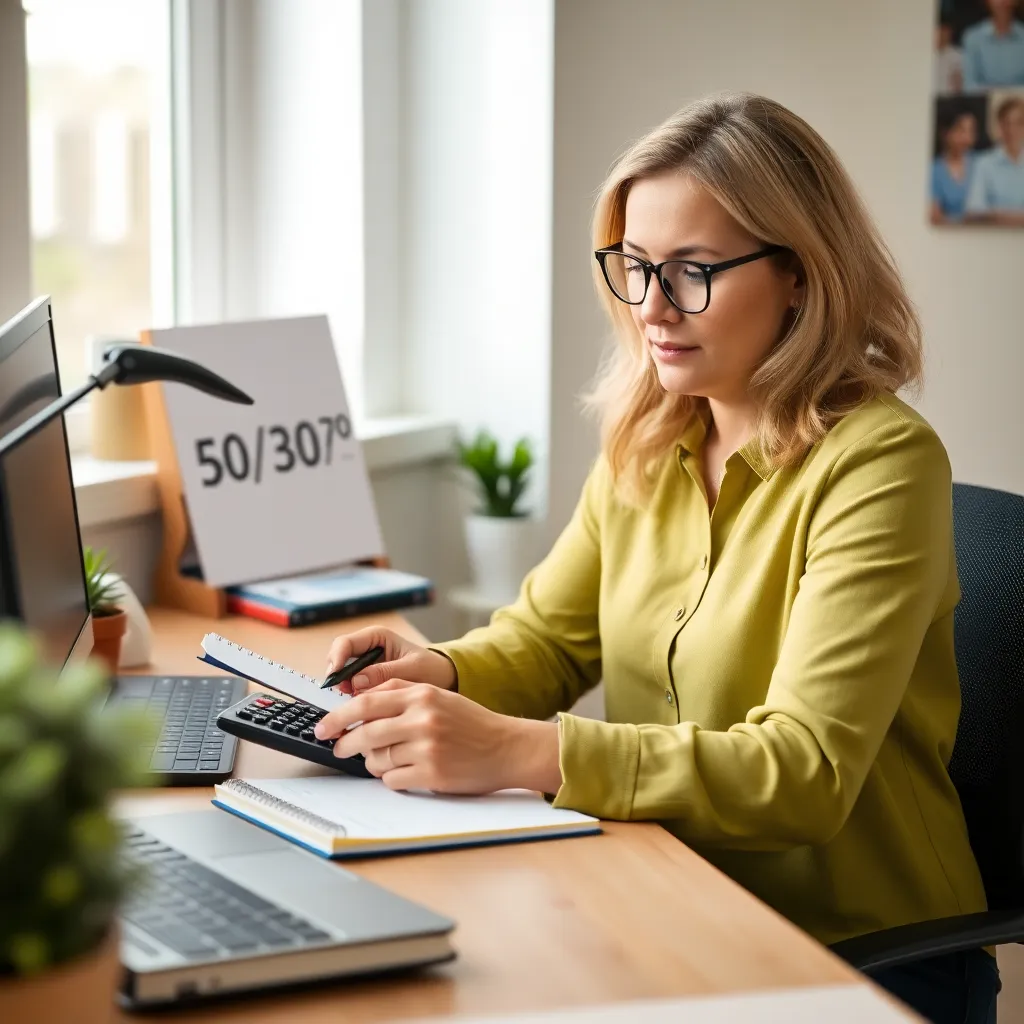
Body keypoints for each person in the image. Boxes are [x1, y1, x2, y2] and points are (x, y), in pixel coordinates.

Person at [314, 93, 998, 1024]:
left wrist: (525, 750)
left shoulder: (880, 464)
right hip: (671, 897)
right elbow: (550, 642)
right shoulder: (649, 436)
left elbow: (801, 775)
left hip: (860, 955)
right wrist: (436, 670)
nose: (651, 309)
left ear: (801, 275)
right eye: (634, 268)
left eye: (693, 271)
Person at [965, 94, 1024, 223]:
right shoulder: (983, 163)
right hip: (992, 237)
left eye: (1019, 123)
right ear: (1000, 126)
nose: (1012, 130)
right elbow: (974, 211)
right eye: (1007, 123)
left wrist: (996, 214)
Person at [962, 0, 1024, 90]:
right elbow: (969, 85)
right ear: (988, 2)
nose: (1003, 2)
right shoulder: (973, 38)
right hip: (984, 102)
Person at [931, 110, 979, 222]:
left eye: (971, 131)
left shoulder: (980, 164)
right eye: (961, 130)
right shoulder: (935, 169)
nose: (967, 138)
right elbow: (935, 215)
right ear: (946, 133)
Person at [934, 18, 965, 95]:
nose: (943, 34)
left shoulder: (958, 55)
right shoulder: (928, 54)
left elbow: (960, 83)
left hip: (948, 99)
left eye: (946, 30)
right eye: (941, 30)